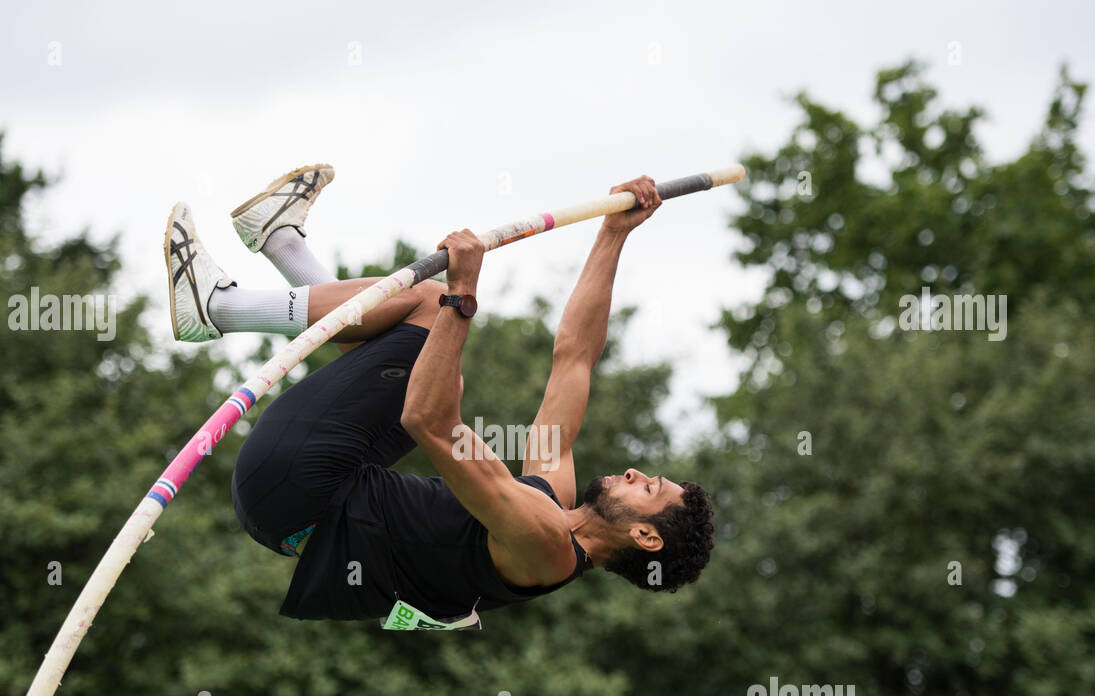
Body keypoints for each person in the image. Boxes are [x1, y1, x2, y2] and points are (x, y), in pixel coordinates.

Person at [163, 165, 714, 628]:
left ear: (644, 536)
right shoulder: (551, 498)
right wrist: (613, 234)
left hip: (300, 488)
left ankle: (220, 307)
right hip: (301, 500)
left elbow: (428, 421)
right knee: (429, 361)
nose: (640, 473)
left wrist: (462, 296)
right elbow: (574, 356)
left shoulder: (544, 542)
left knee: (429, 308)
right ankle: (279, 241)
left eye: (651, 488)